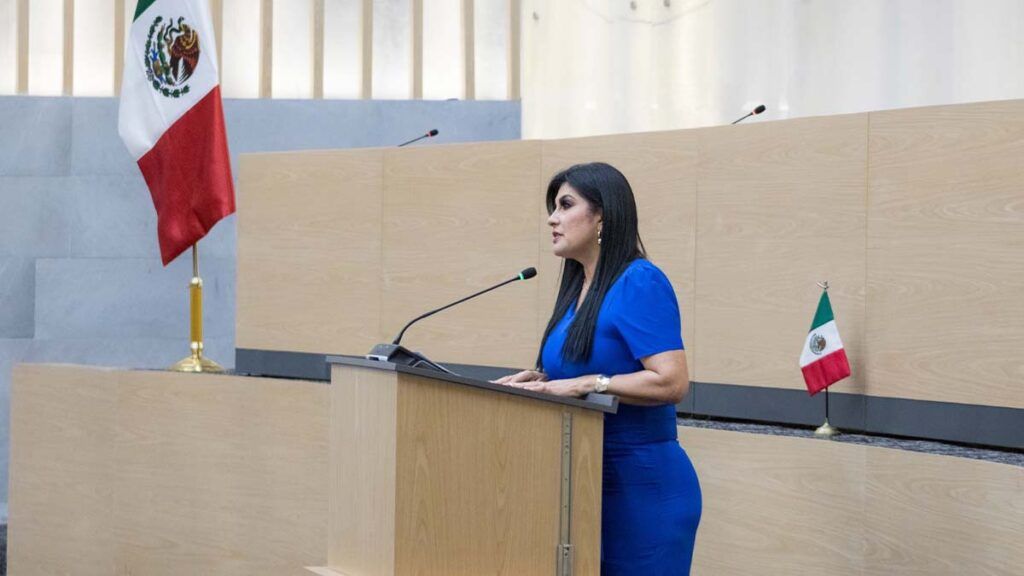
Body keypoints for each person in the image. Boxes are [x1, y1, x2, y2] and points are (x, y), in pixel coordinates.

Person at [495, 162, 701, 575]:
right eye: (553, 208)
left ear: (602, 216)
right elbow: (586, 366)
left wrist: (588, 383)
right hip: (582, 484)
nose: (552, 219)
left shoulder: (639, 281)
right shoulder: (578, 287)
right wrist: (540, 381)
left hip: (642, 488)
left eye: (565, 205)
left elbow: (672, 381)